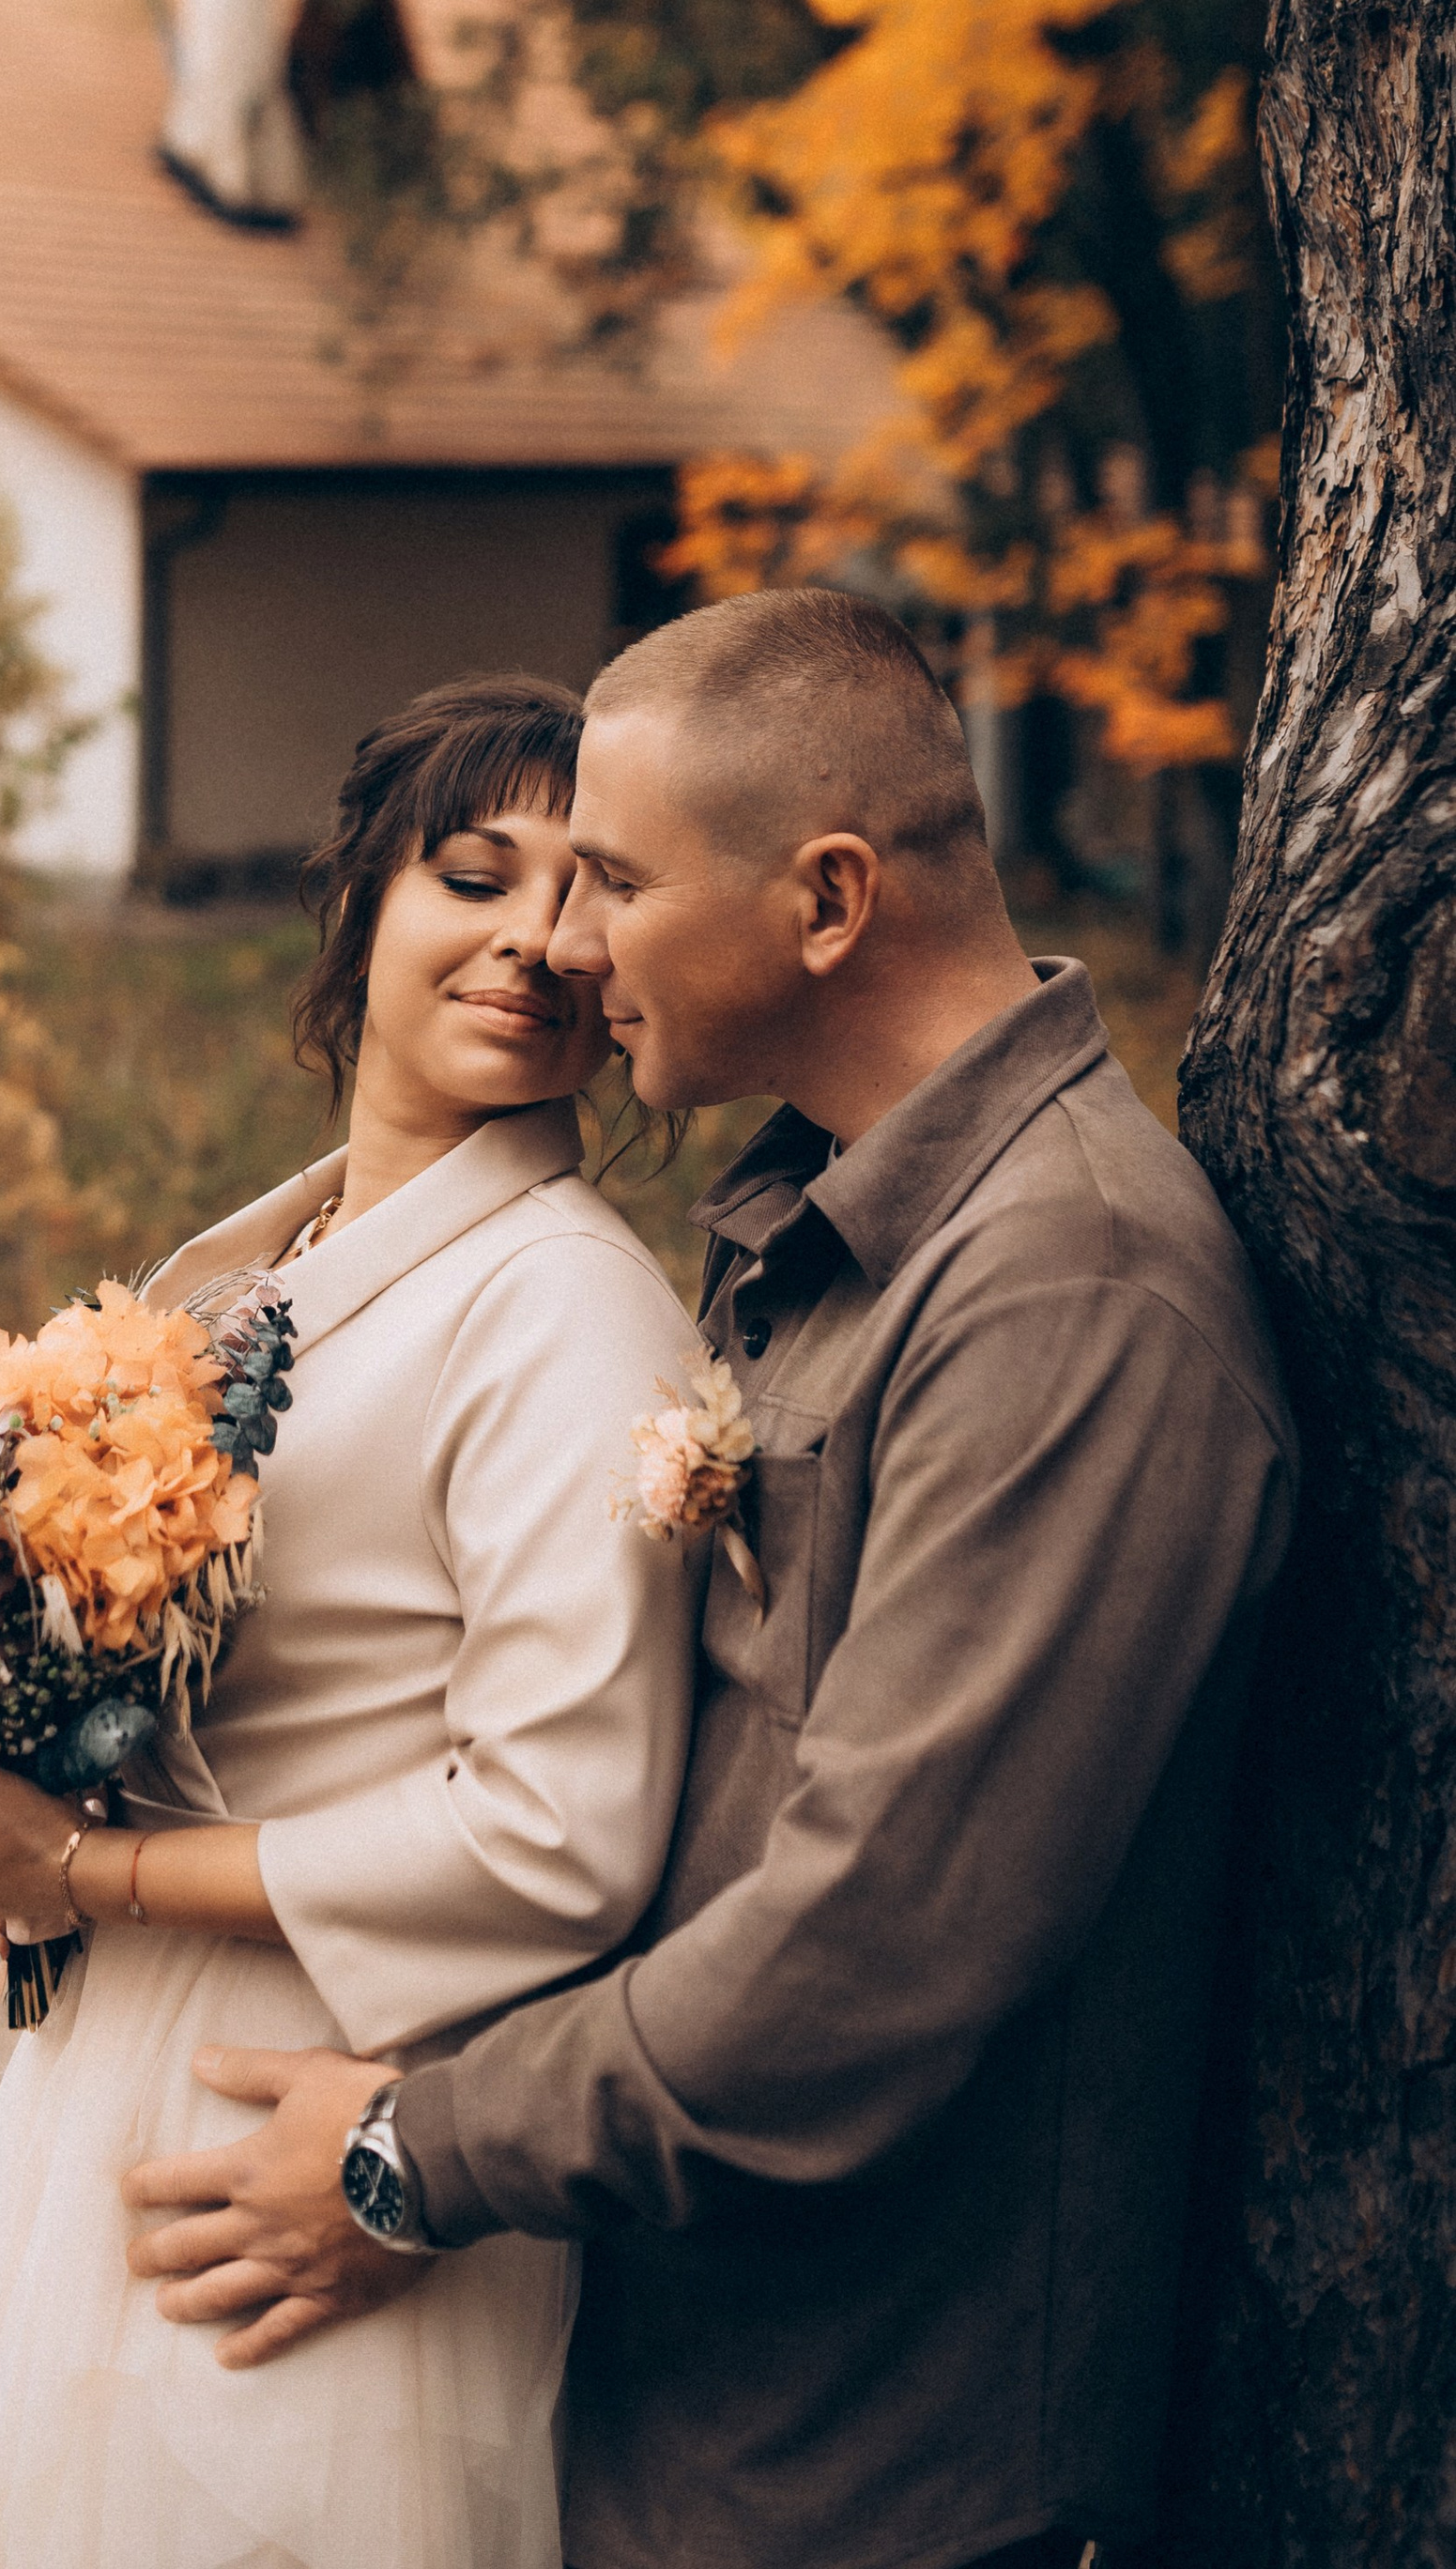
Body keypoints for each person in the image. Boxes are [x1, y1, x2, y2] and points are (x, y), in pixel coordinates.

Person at [122, 590, 1297, 2569]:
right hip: (700, 2372)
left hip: (881, 2458)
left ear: (825, 900)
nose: (564, 947)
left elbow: (877, 1940)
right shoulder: (840, 1240)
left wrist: (413, 2156)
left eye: (611, 881)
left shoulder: (1065, 1291)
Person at [0, 673, 708, 2569]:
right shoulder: (278, 1266)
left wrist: (96, 1867)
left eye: (584, 899)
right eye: (470, 874)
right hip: (137, 2059)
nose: (532, 941)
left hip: (325, 2093)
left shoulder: (562, 1307)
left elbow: (559, 1830)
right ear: (359, 906)